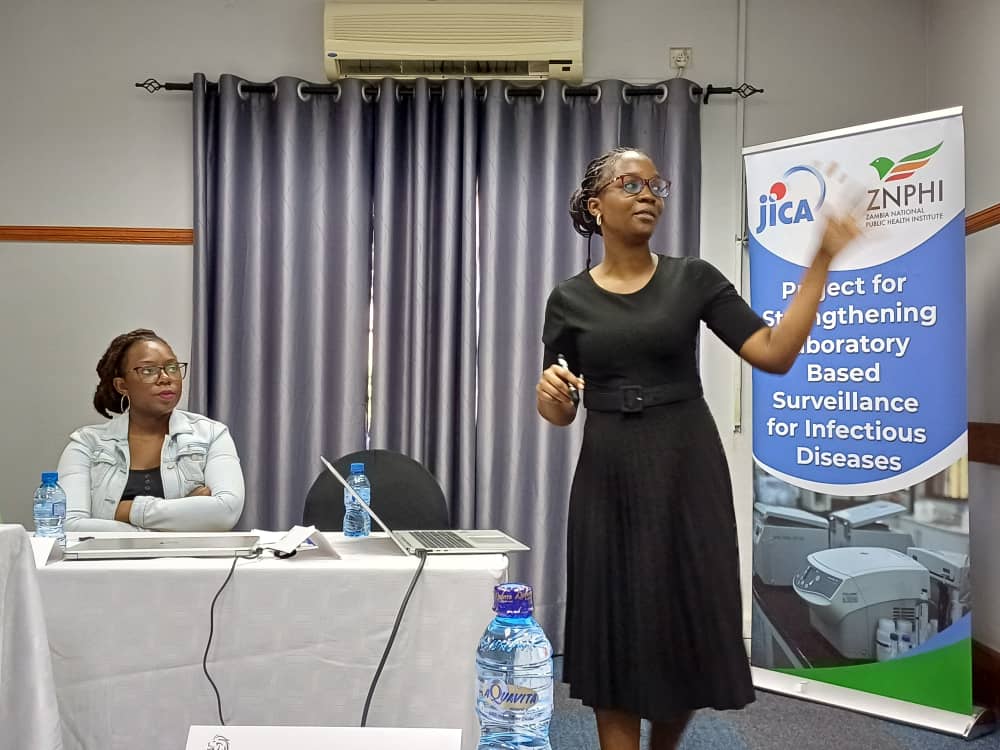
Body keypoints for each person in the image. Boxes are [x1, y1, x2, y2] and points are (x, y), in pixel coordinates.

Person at [536, 147, 860, 750]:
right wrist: (549, 395)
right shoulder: (568, 299)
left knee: (684, 619)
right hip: (608, 472)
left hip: (687, 465)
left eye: (655, 185)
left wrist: (821, 261)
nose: (648, 194)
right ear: (595, 206)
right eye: (630, 184)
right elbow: (559, 409)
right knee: (614, 624)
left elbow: (773, 353)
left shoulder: (695, 278)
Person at [58, 329, 245, 532]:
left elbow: (227, 511)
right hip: (113, 556)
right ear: (122, 385)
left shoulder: (211, 435)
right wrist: (181, 518)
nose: (165, 378)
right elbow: (69, 526)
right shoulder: (87, 444)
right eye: (148, 370)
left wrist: (126, 511)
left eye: (172, 367)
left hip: (187, 557)